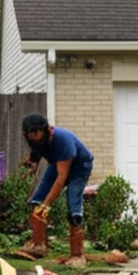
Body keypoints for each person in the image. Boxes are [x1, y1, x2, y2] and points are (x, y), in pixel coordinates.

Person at [19, 113, 94, 267]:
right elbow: (38, 150)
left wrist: (47, 205)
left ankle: (77, 256)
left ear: (44, 130)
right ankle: (39, 245)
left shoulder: (62, 141)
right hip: (57, 163)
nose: (32, 137)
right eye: (29, 134)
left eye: (35, 133)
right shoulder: (37, 141)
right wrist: (32, 162)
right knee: (36, 201)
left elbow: (61, 178)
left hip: (79, 167)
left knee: (73, 204)